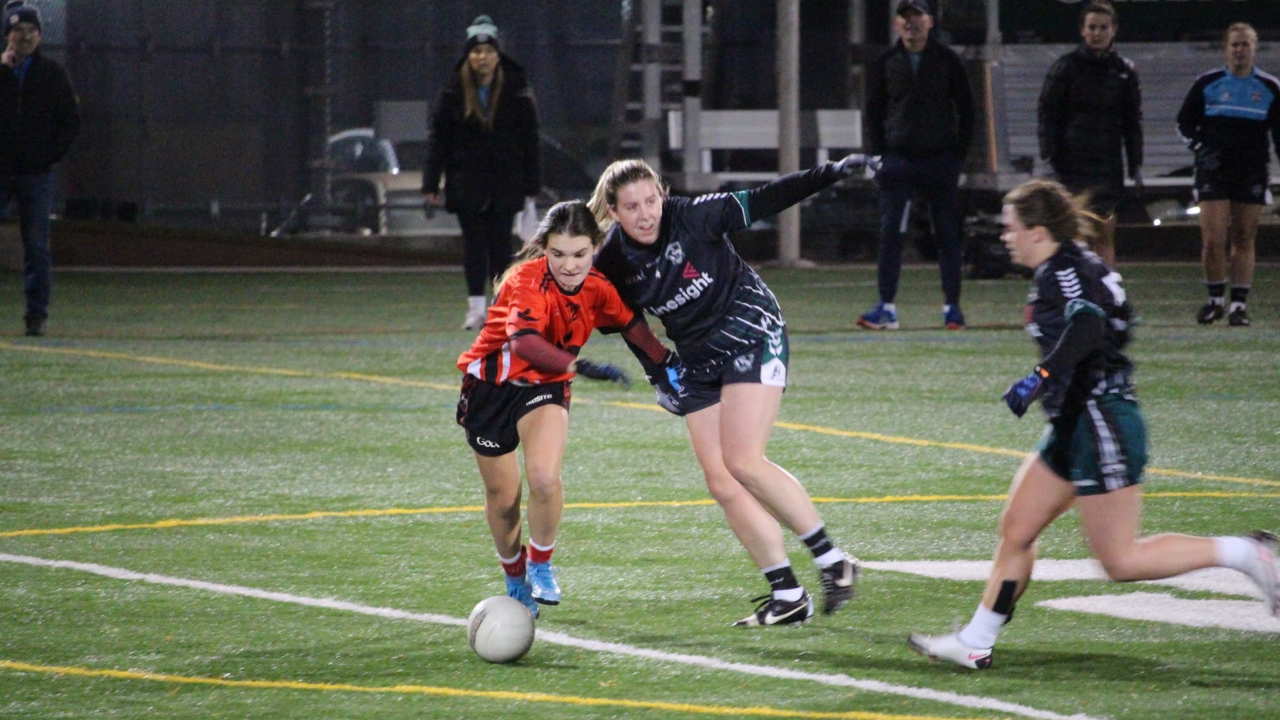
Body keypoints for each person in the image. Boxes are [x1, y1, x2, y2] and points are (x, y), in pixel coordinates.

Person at [908, 179, 1279, 670]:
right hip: (1074, 418)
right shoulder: (1067, 265)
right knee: (1018, 529)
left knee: (1120, 561)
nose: (1004, 236)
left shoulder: (1064, 273)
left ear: (1038, 231)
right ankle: (977, 640)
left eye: (1011, 227)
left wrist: (1039, 376)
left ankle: (1247, 554)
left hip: (1100, 418)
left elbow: (1087, 324)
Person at [589, 155, 868, 627]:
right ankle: (787, 594)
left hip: (750, 330)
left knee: (742, 461)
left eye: (651, 200)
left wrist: (830, 171)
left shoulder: (695, 215)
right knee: (721, 480)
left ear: (662, 194)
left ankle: (833, 562)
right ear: (613, 212)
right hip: (697, 356)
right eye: (632, 206)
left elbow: (767, 198)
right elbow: (625, 322)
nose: (645, 214)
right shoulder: (611, 261)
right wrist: (659, 371)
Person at [456, 200, 673, 619]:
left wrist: (664, 363)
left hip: (546, 388)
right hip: (490, 390)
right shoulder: (525, 281)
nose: (569, 265)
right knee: (503, 500)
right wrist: (578, 365)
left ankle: (540, 563)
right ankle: (515, 578)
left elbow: (631, 324)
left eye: (580, 254)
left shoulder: (597, 285)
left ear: (595, 248)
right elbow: (525, 345)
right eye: (558, 254)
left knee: (544, 477)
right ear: (544, 249)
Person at [859, 0, 975, 331]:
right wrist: (880, 155)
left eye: (917, 17)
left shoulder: (948, 60)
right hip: (899, 160)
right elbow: (874, 111)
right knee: (891, 232)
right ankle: (887, 306)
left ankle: (952, 307)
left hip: (939, 159)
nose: (912, 24)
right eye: (905, 18)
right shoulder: (886, 62)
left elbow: (967, 109)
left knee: (947, 235)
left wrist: (957, 156)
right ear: (897, 24)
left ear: (930, 21)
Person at [424, 14, 541, 331]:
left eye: (489, 51)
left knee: (501, 245)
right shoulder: (452, 93)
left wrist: (532, 182)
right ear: (468, 55)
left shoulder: (517, 89)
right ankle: (476, 308)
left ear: (498, 54)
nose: (482, 57)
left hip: (506, 181)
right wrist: (431, 182)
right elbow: (439, 140)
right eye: (476, 52)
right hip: (466, 181)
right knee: (474, 244)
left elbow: (530, 138)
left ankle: (501, 307)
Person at [1177, 23, 1280, 328]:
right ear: (1226, 48)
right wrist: (1199, 148)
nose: (1240, 50)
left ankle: (1238, 305)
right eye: (1234, 44)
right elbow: (1183, 123)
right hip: (1214, 170)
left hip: (1251, 170)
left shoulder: (1270, 87)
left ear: (1254, 48)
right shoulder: (1207, 83)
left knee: (1244, 238)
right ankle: (1214, 301)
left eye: (1245, 44)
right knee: (1213, 240)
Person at [1037, 0, 1142, 268]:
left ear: (1114, 30)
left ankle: (1106, 298)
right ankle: (1075, 297)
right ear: (1082, 31)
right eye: (1092, 27)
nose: (1097, 33)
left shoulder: (1124, 71)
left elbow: (1132, 120)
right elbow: (1047, 112)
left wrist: (1135, 162)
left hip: (1108, 164)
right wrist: (1049, 153)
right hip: (1071, 163)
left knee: (1104, 234)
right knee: (1074, 236)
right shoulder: (1066, 68)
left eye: (1103, 27)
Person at [0, 0, 79, 337]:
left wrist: (49, 156)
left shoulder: (53, 74)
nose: (26, 37)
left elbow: (71, 122)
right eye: (19, 30)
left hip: (36, 174)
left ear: (40, 35)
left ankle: (36, 315)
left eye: (32, 31)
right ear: (8, 35)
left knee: (36, 246)